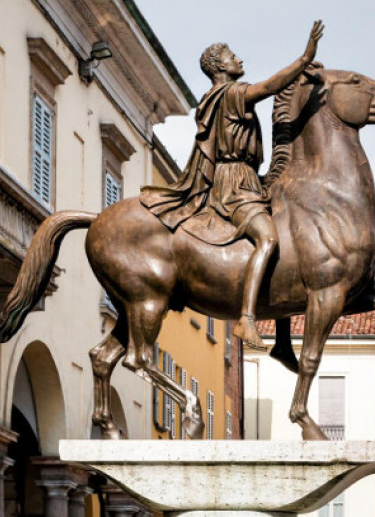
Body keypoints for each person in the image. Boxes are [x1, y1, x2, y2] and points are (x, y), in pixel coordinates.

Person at [140, 21, 324, 349]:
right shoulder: (230, 94)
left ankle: (282, 343)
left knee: (285, 236)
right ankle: (248, 321)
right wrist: (303, 59)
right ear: (220, 66)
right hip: (235, 184)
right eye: (232, 56)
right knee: (268, 239)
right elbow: (268, 87)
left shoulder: (219, 97)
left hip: (249, 178)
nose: (239, 59)